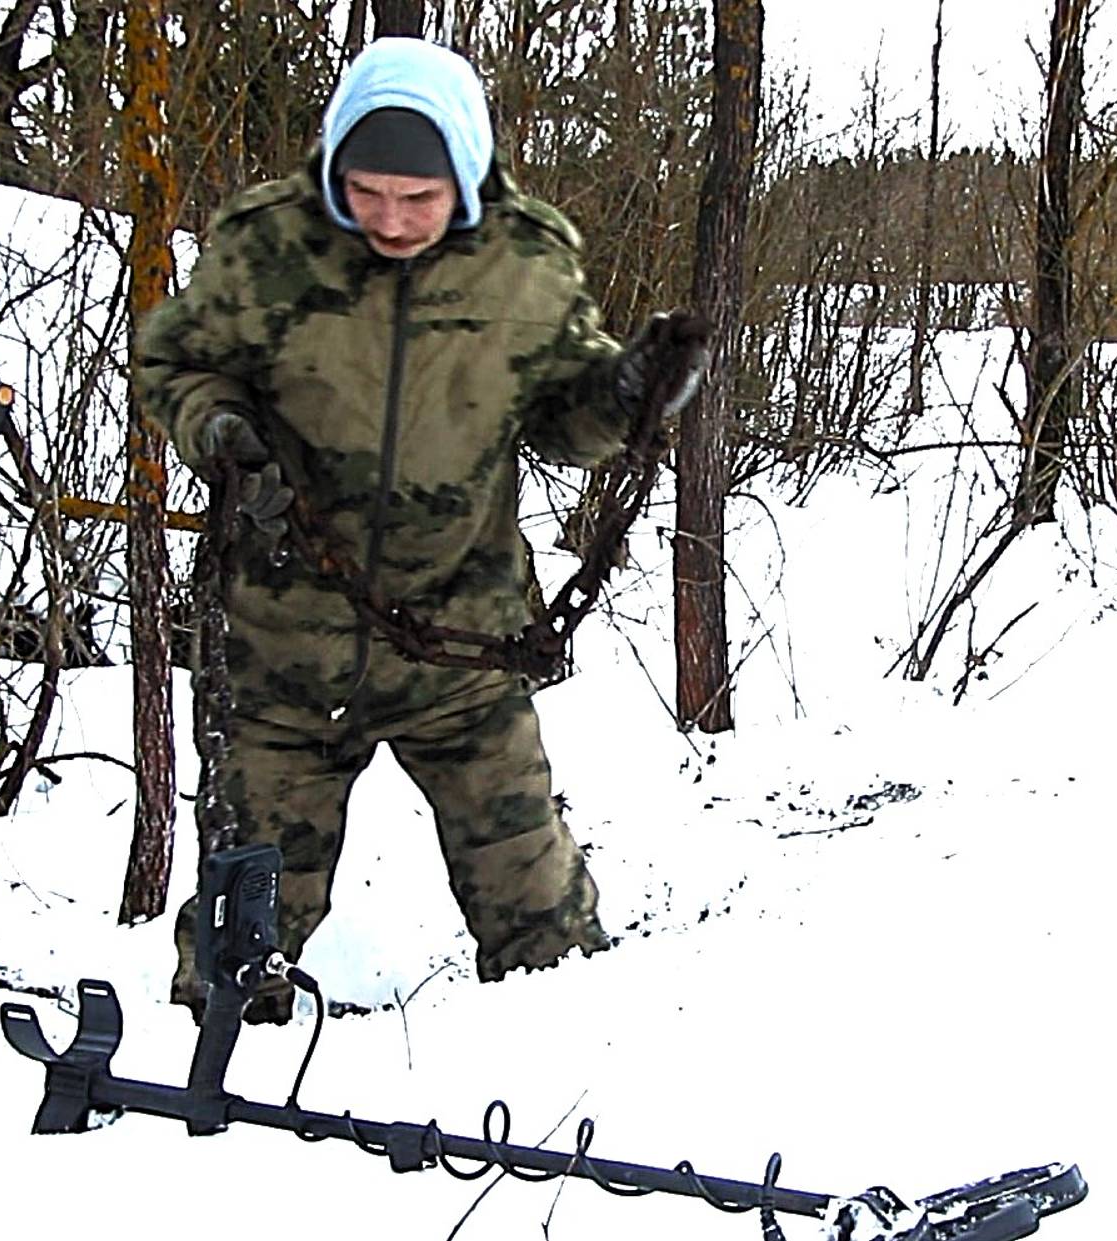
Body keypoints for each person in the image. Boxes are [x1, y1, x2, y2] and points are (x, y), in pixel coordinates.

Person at [135, 37, 707, 1024]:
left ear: (468, 178)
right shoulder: (268, 248)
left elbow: (566, 421)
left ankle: (561, 1078)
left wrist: (627, 395)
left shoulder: (525, 265)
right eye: (367, 192)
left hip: (460, 644)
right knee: (244, 932)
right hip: (284, 646)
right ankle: (213, 1098)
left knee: (540, 910)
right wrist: (220, 432)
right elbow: (174, 364)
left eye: (419, 198)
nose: (391, 220)